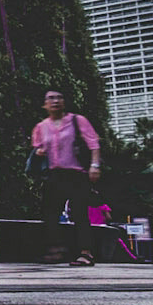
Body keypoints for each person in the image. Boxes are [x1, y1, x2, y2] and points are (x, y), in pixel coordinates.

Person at [30, 88, 102, 266]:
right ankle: (56, 251)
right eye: (51, 98)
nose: (55, 101)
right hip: (54, 174)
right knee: (50, 213)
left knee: (79, 213)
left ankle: (86, 253)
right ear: (44, 104)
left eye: (59, 97)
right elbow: (37, 148)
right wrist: (39, 153)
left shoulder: (77, 121)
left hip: (76, 173)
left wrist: (95, 165)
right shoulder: (41, 127)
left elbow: (93, 144)